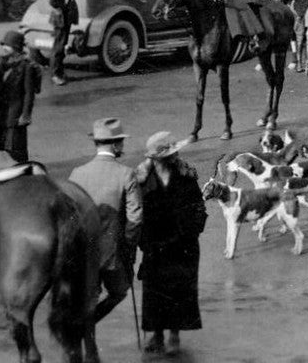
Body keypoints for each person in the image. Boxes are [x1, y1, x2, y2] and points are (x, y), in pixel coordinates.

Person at [69, 118, 143, 335]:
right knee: (119, 291)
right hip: (112, 252)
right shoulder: (126, 174)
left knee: (86, 297)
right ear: (116, 144)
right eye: (121, 142)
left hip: (83, 252)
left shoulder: (77, 173)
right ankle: (88, 324)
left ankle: (83, 327)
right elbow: (135, 218)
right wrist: (129, 246)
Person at [135, 131, 207, 356]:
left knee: (181, 289)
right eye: (167, 155)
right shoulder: (142, 180)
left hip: (183, 243)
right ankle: (157, 335)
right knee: (154, 290)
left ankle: (174, 335)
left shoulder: (186, 175)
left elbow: (198, 208)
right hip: (154, 244)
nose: (173, 157)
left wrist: (192, 232)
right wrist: (142, 241)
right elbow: (136, 211)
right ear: (156, 159)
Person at [0, 30, 40, 162]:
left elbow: (29, 93)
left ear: (16, 47)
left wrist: (26, 115)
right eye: (3, 45)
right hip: (1, 112)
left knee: (15, 147)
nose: (4, 48)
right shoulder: (1, 62)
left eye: (7, 45)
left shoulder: (26, 66)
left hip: (15, 114)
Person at [48, 0, 78, 86]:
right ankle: (55, 75)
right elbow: (53, 1)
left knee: (61, 45)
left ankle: (59, 73)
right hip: (60, 16)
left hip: (64, 16)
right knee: (58, 47)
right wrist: (64, 5)